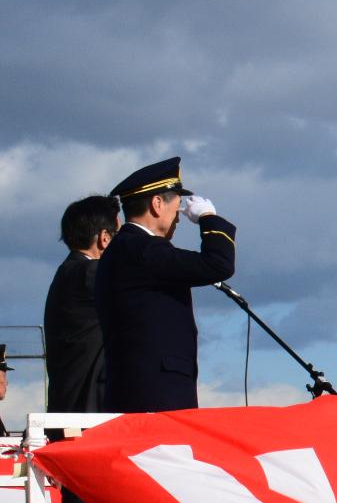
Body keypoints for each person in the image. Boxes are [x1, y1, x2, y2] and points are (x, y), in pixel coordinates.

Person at [95, 157, 235, 413]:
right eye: (177, 208)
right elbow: (218, 264)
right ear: (157, 204)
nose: (179, 219)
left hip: (142, 386)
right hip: (155, 392)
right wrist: (208, 218)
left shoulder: (125, 249)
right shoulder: (142, 249)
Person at [44, 195, 119, 416]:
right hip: (90, 403)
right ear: (105, 238)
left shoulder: (68, 272)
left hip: (70, 400)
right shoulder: (92, 273)